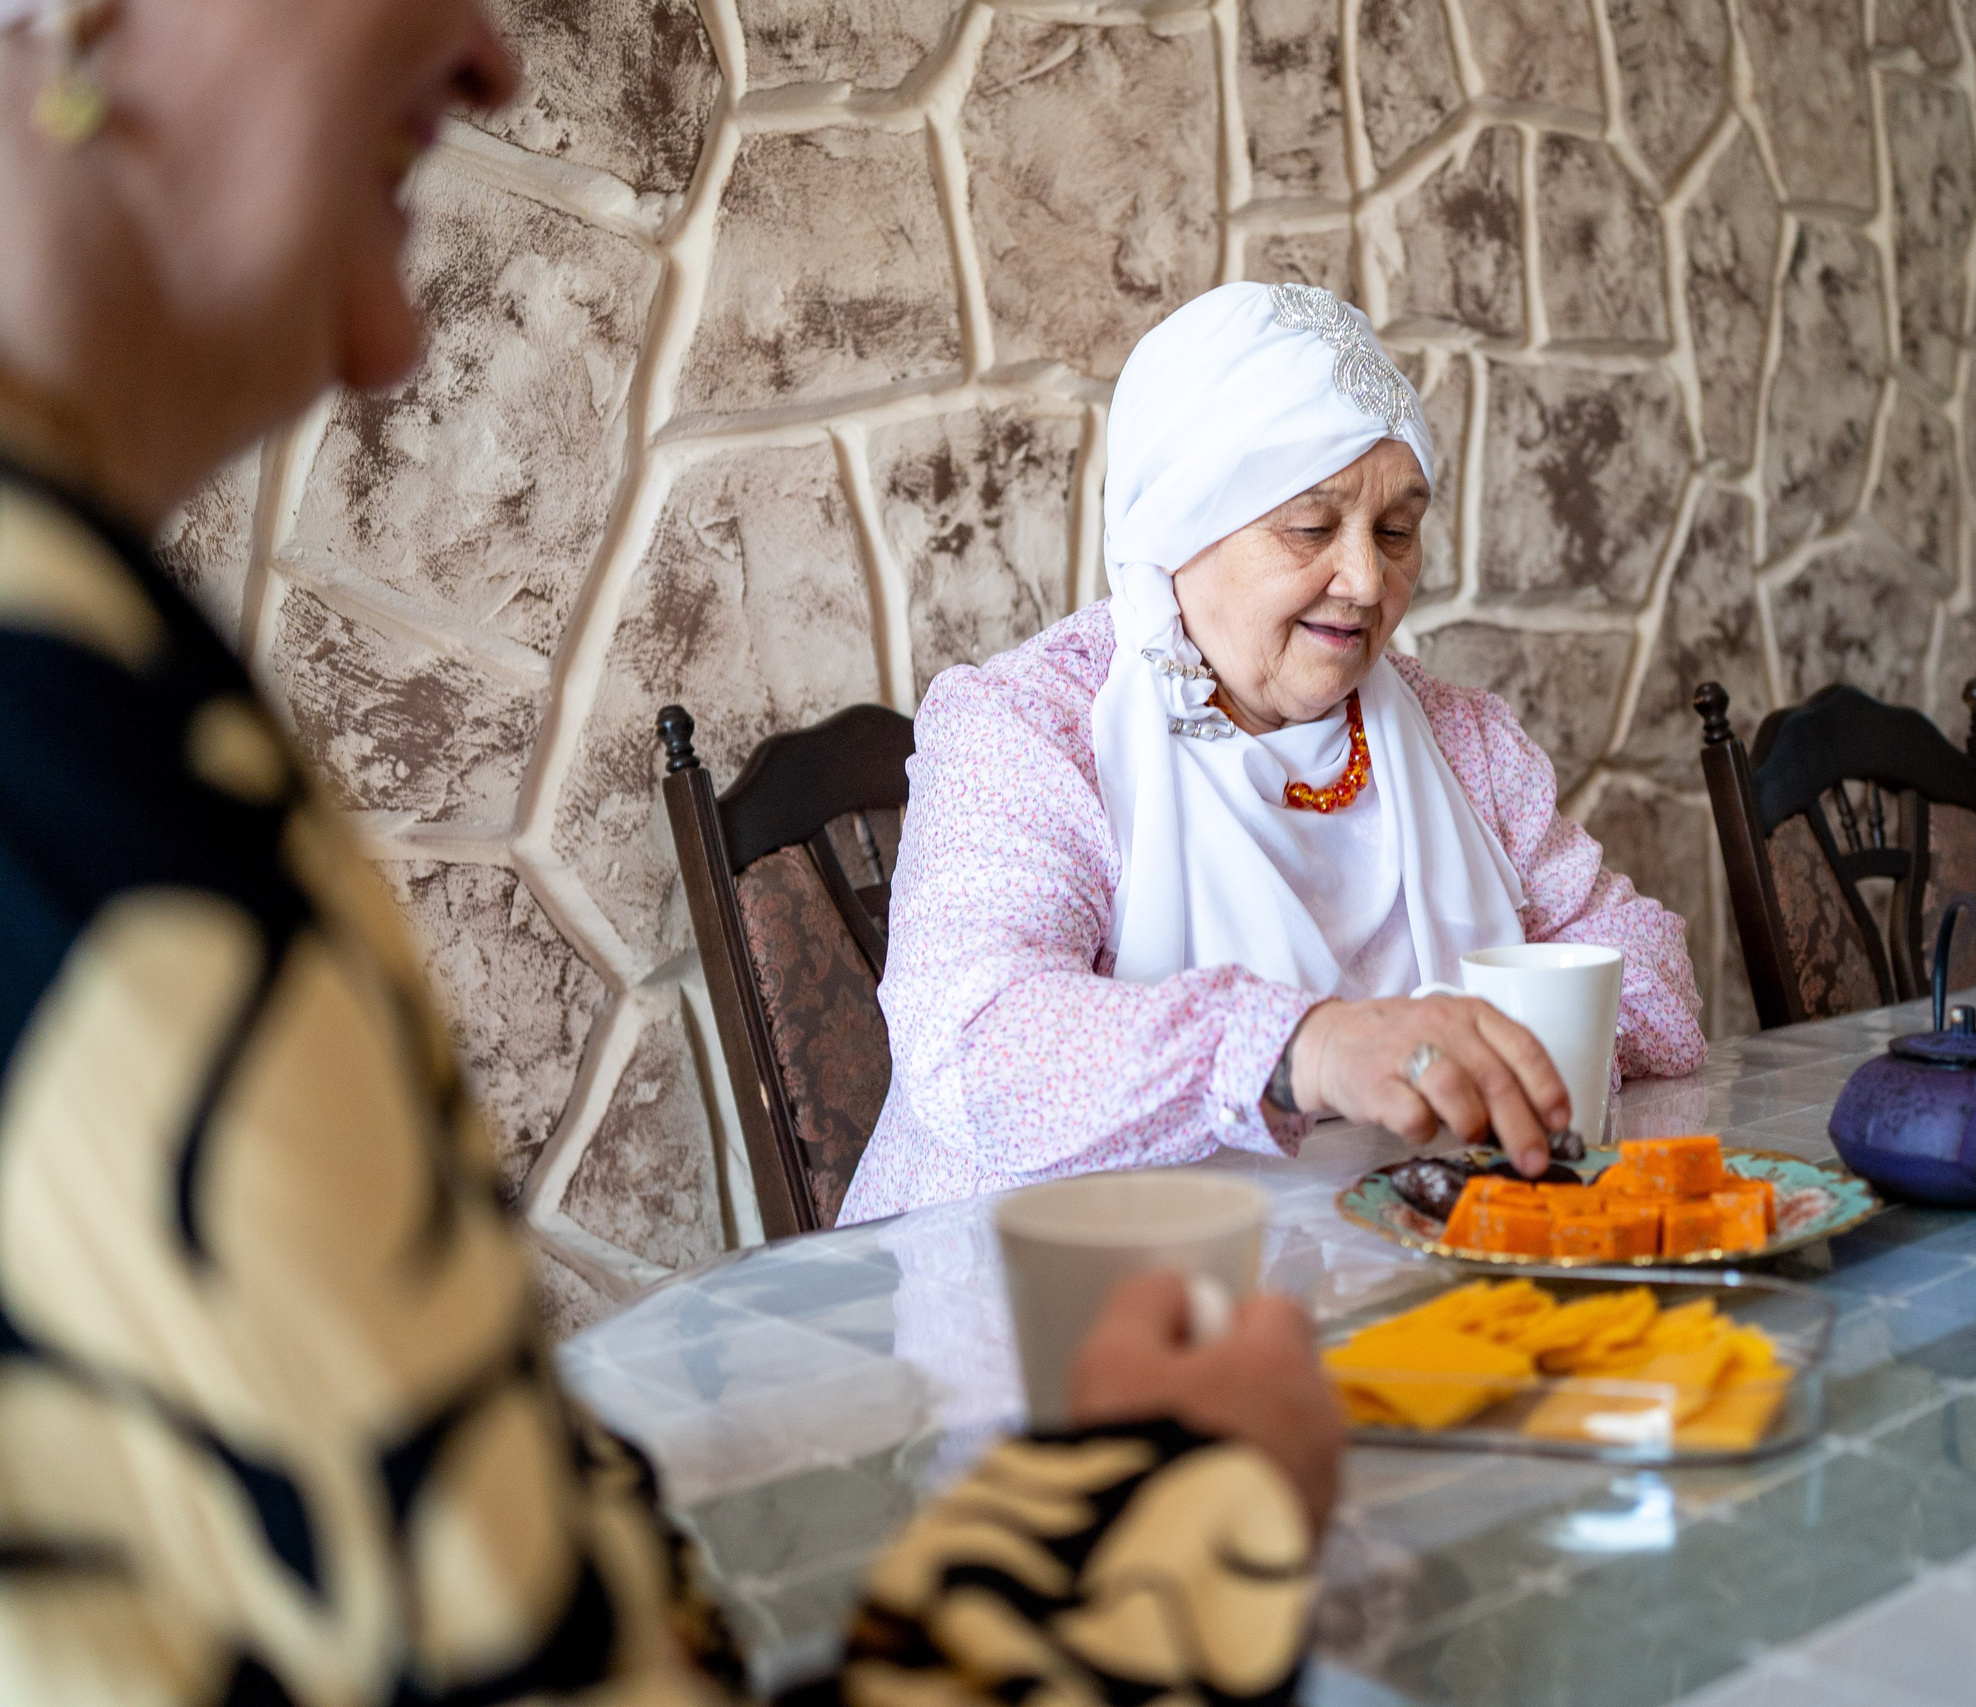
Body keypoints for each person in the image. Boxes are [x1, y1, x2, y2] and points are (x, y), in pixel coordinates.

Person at [0, 2, 1341, 1702]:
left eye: (1385, 522)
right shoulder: (57, 728)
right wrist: (1165, 1508)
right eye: (1308, 522)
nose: (491, 57)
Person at [842, 282, 1710, 1224]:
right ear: (1182, 521)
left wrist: (1478, 1061)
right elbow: (981, 1049)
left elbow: (1652, 976)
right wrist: (1310, 1051)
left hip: (1400, 1280)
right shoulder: (1032, 730)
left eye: (1396, 530)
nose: (1367, 580)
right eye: (1309, 526)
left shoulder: (1459, 738)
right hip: (1049, 1307)